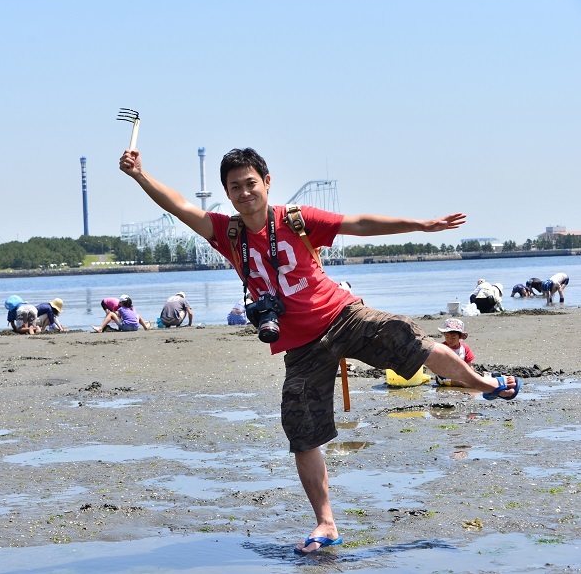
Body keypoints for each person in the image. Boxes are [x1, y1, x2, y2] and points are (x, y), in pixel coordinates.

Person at [118, 145, 521, 555]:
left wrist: (419, 224)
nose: (244, 193)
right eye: (235, 187)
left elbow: (359, 224)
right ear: (227, 192)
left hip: (342, 316)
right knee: (301, 432)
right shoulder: (228, 233)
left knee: (405, 335)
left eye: (250, 183)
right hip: (300, 347)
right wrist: (140, 175)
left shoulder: (296, 218)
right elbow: (181, 205)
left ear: (267, 182)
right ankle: (326, 523)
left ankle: (481, 383)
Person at [433, 318, 485, 387]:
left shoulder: (464, 348)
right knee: (461, 383)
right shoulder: (442, 347)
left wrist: (472, 375)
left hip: (460, 375)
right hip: (444, 377)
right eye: (447, 337)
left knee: (477, 377)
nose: (449, 340)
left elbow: (469, 365)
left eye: (453, 337)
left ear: (460, 337)